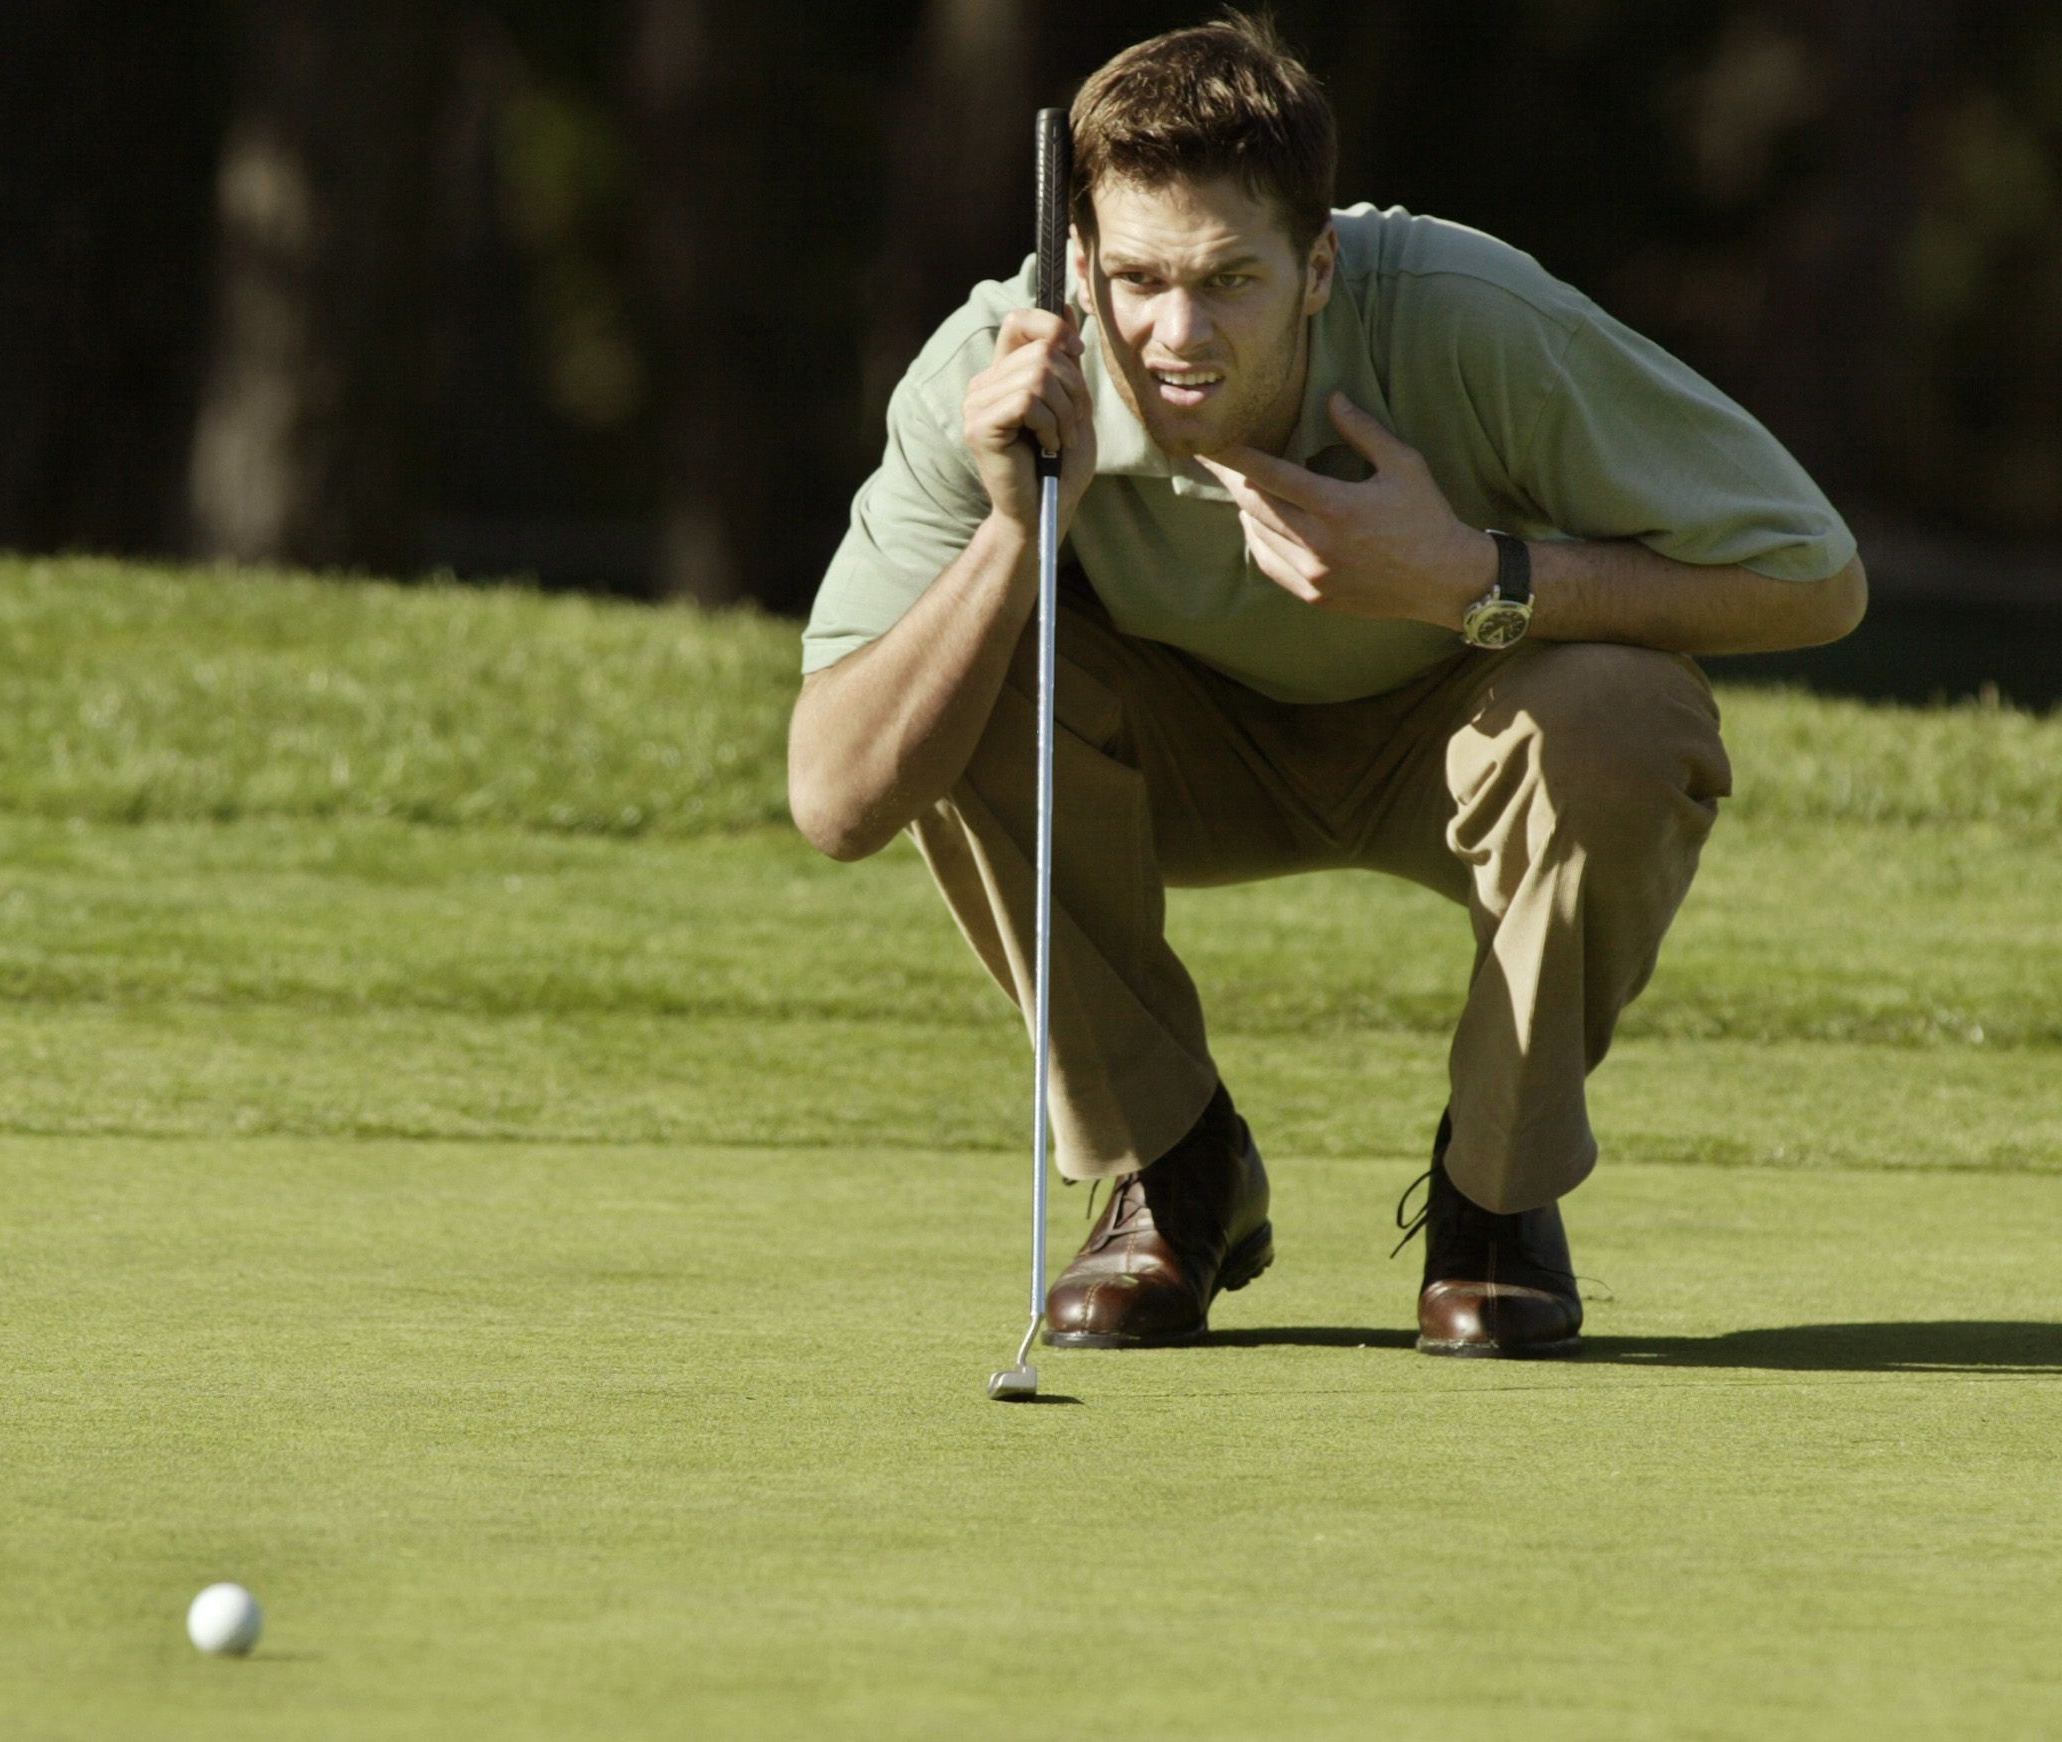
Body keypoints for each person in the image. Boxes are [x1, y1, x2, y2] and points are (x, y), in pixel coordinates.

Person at [786, 15, 1863, 1358]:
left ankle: (1494, 1195)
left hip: (1459, 736)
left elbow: (1814, 575)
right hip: (1179, 759)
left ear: (1319, 265)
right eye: (1136, 279)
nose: (1178, 333)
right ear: (1076, 263)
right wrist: (1018, 532)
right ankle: (1174, 1172)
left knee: (1625, 715)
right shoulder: (994, 376)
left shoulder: (1470, 319)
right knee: (961, 671)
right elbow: (836, 798)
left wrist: (1473, 574)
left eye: (1231, 278)